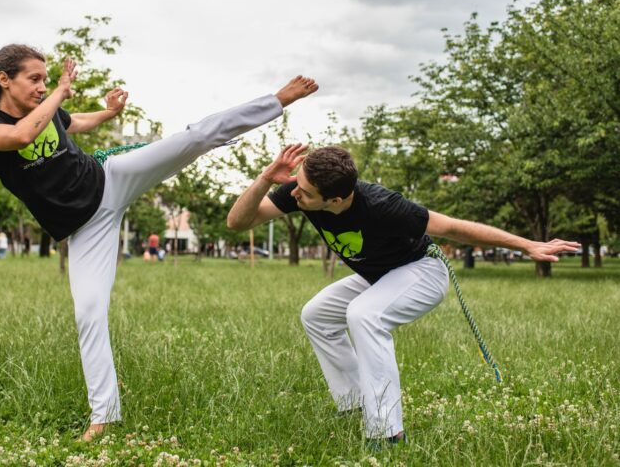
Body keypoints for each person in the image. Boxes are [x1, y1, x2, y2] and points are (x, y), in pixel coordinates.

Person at [0, 43, 318, 441]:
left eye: (45, 79)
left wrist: (109, 113)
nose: (42, 87)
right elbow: (24, 135)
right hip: (85, 229)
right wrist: (60, 89)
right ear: (3, 79)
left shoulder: (48, 109)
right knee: (89, 315)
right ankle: (104, 416)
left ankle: (277, 100)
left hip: (111, 178)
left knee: (197, 136)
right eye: (34, 79)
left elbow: (73, 121)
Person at [226, 144, 579, 446]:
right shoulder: (299, 191)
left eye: (303, 192)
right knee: (316, 315)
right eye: (296, 186)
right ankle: (355, 403)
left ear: (334, 200)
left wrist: (527, 245)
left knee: (364, 315)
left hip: (422, 271)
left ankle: (386, 431)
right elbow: (238, 223)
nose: (294, 194)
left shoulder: (383, 205)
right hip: (379, 275)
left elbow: (454, 228)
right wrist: (264, 180)